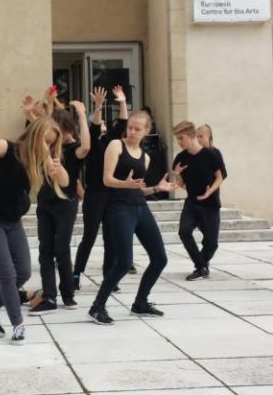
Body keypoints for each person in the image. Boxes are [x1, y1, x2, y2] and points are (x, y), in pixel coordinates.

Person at [0, 102, 68, 344]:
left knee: (23, 272)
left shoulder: (42, 160)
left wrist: (58, 170)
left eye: (51, 143)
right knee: (7, 272)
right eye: (46, 141)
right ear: (36, 134)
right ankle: (17, 324)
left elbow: (65, 183)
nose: (47, 147)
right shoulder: (10, 149)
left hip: (12, 222)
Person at [88, 111, 175, 324]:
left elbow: (137, 188)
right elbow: (107, 180)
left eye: (138, 129)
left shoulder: (146, 157)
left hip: (140, 207)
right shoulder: (116, 146)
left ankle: (140, 302)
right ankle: (97, 306)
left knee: (160, 258)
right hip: (119, 208)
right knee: (124, 262)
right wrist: (124, 183)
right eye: (130, 128)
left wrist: (156, 187)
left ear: (147, 131)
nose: (133, 132)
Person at [31, 100, 90, 313]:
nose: (52, 134)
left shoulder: (73, 150)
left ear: (65, 130)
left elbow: (87, 146)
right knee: (45, 250)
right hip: (45, 203)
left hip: (66, 205)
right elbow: (37, 135)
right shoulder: (45, 148)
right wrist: (34, 115)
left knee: (61, 249)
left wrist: (82, 115)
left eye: (57, 130)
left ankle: (67, 293)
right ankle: (49, 296)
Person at [73, 85, 129, 289]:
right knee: (89, 236)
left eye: (105, 122)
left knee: (111, 238)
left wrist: (122, 101)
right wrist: (98, 107)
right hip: (94, 194)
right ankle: (76, 274)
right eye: (101, 123)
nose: (103, 124)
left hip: (112, 194)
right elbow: (95, 124)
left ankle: (109, 277)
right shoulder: (92, 143)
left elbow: (123, 122)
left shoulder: (111, 140)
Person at [172, 121, 224, 281]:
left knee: (211, 243)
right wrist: (177, 174)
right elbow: (181, 184)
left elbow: (220, 177)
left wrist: (210, 191)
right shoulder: (180, 158)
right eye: (177, 139)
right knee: (184, 231)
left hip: (210, 204)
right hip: (192, 202)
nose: (179, 143)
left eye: (181, 138)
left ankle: (201, 266)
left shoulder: (211, 154)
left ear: (191, 136)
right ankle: (200, 266)